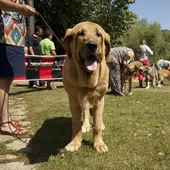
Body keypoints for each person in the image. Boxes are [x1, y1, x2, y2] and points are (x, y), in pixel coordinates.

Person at [0, 0, 36, 135]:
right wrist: (21, 8)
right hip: (4, 34)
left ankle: (5, 118)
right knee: (4, 77)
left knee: (8, 77)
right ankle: (4, 123)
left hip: (13, 34)